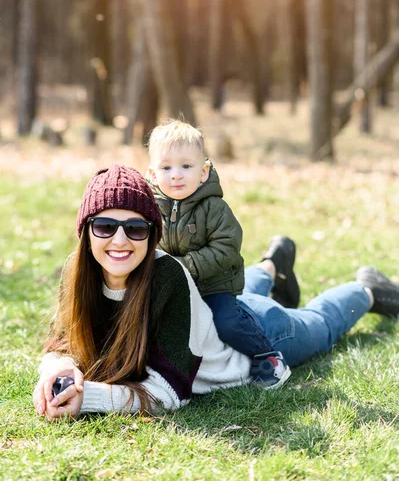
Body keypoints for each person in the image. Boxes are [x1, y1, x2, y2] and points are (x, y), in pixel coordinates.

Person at [33, 164, 399, 421]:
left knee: (320, 325)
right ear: (86, 231)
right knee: (225, 301)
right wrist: (58, 369)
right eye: (105, 226)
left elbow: (169, 393)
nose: (119, 240)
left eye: (135, 228)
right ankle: (272, 266)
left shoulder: (167, 277)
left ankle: (367, 288)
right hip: (212, 311)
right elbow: (63, 340)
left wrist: (88, 399)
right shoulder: (76, 270)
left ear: (153, 235)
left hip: (252, 335)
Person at [147, 119, 297, 388]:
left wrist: (185, 266)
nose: (176, 175)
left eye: (186, 166)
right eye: (166, 167)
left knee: (226, 321)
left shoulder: (213, 207)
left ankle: (267, 355)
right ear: (152, 173)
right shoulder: (153, 209)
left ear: (203, 172)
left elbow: (226, 247)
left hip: (213, 285)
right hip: (176, 288)